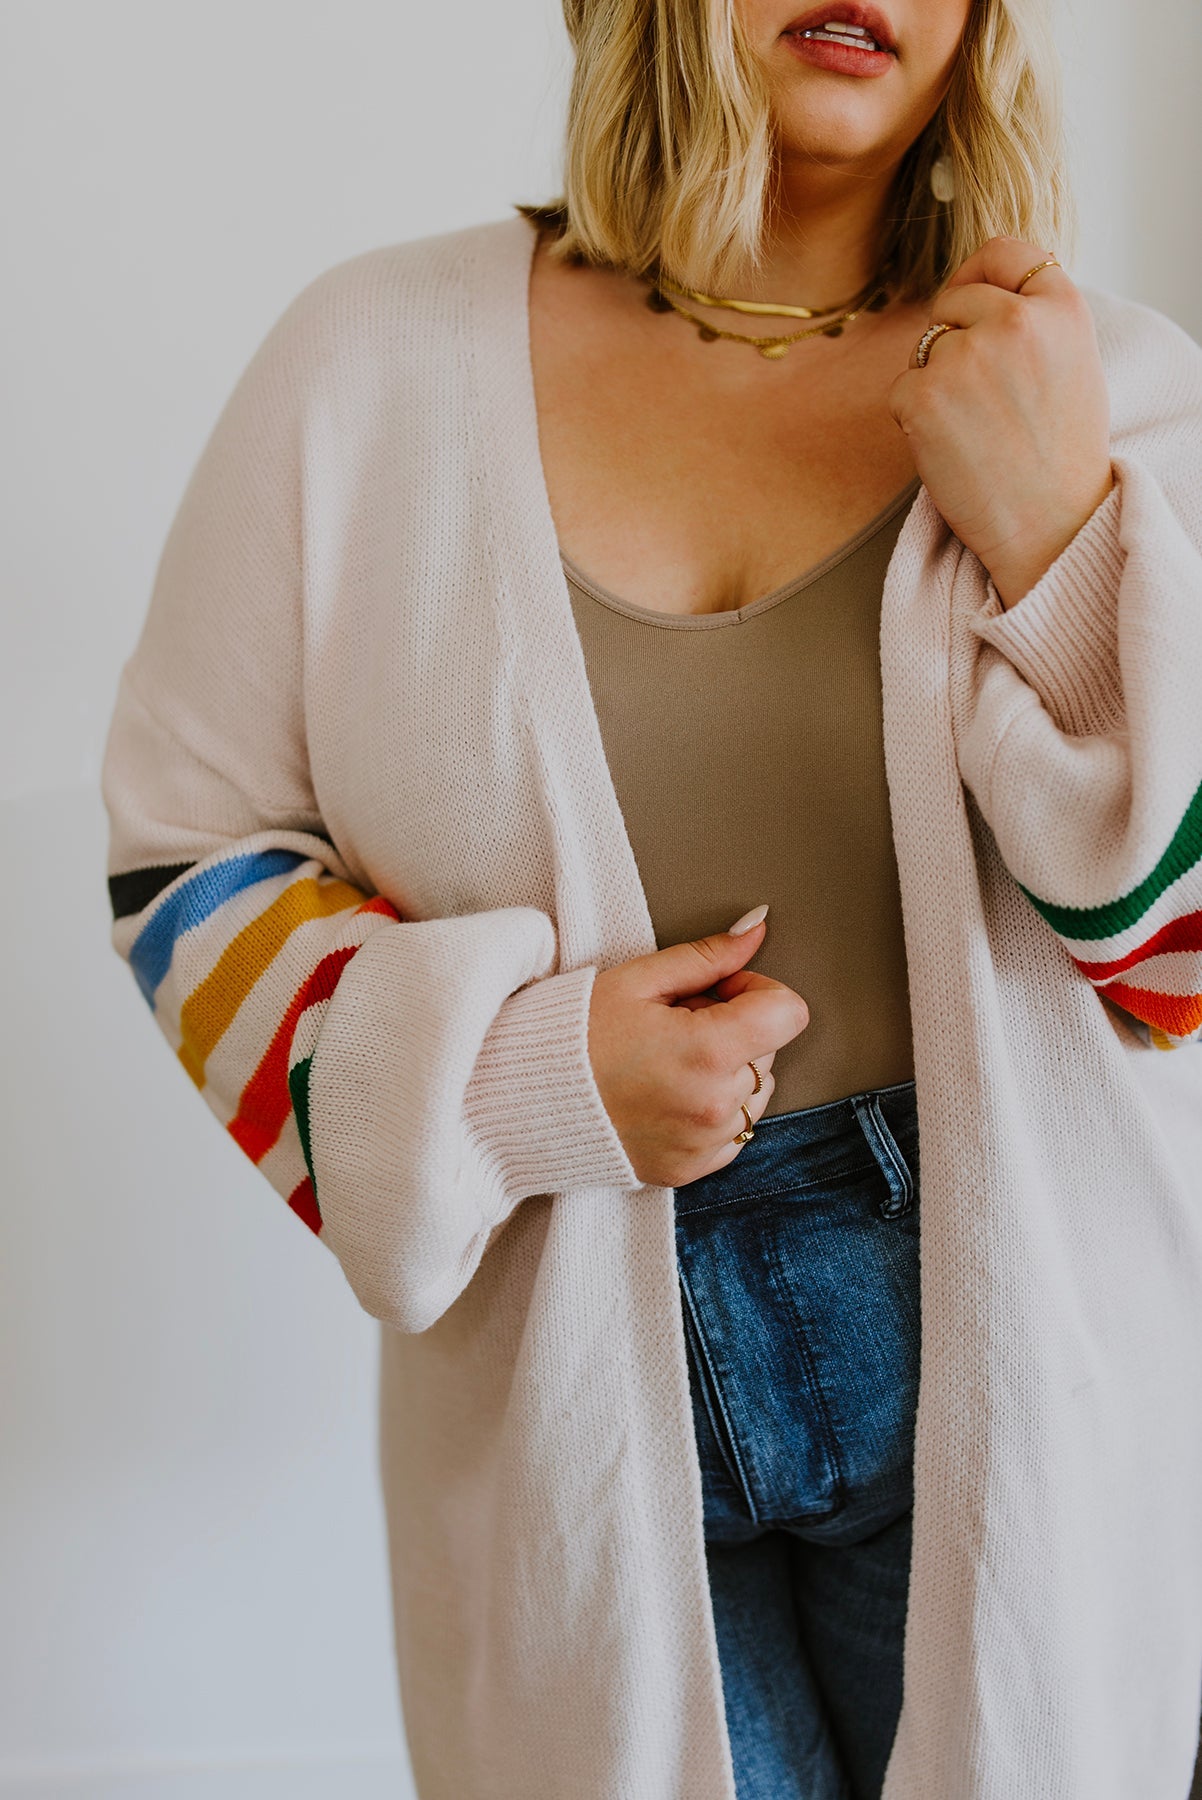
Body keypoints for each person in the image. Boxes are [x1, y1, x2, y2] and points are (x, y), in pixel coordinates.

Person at [99, 0, 1202, 1794]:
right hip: (563, 1377)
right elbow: (183, 854)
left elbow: (1180, 970)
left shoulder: (1104, 389)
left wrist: (1062, 533)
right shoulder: (364, 368)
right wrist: (515, 1077)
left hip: (1009, 1364)